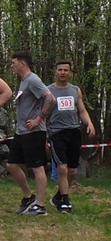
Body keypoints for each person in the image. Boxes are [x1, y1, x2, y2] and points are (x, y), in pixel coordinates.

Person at [6, 50, 56, 216]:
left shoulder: (33, 79)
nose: (12, 66)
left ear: (22, 63)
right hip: (21, 132)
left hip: (34, 132)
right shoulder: (24, 81)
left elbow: (50, 99)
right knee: (11, 165)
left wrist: (38, 119)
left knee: (37, 167)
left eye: (14, 63)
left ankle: (40, 205)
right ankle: (28, 197)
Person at [47, 60, 96, 213]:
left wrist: (89, 123)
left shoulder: (75, 90)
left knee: (72, 171)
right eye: (60, 70)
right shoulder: (48, 91)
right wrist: (45, 136)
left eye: (65, 70)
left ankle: (58, 197)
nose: (62, 73)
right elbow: (43, 113)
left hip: (74, 131)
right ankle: (65, 202)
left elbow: (81, 110)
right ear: (55, 72)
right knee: (62, 168)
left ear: (70, 72)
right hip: (56, 132)